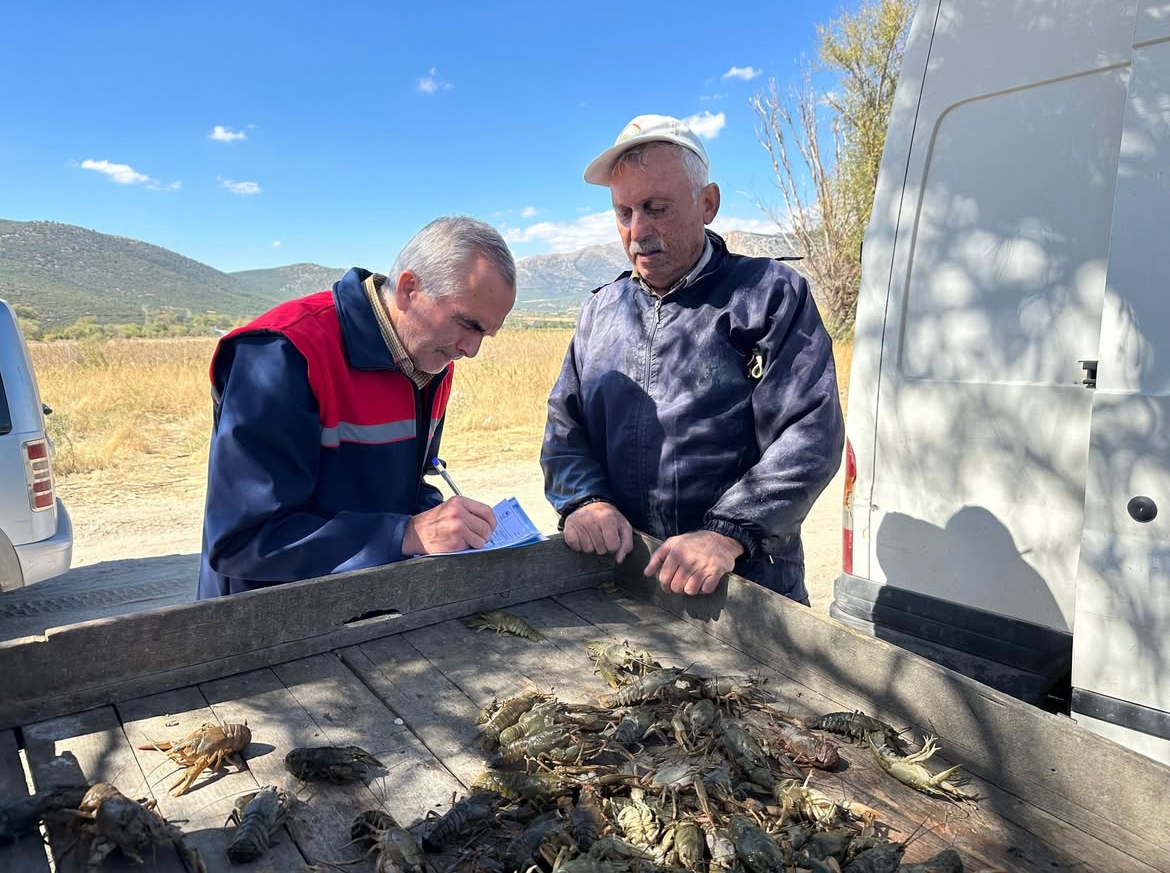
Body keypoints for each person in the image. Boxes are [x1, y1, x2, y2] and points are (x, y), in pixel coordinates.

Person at [541, 115, 844, 603]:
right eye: (624, 212)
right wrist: (585, 501)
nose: (638, 230)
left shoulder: (769, 295)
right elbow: (564, 428)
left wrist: (727, 533)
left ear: (708, 204)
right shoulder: (599, 311)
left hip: (743, 584)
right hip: (628, 577)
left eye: (655, 207)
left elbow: (809, 432)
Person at [197, 216, 516, 598]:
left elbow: (404, 487)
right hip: (267, 620)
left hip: (368, 606)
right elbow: (243, 539)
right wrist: (406, 534)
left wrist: (441, 519)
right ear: (409, 289)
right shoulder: (283, 353)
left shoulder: (432, 359)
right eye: (468, 324)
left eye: (486, 334)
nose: (471, 350)